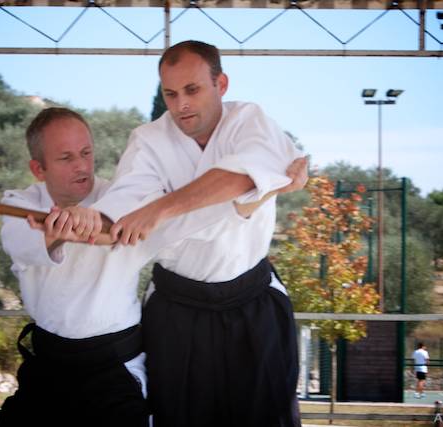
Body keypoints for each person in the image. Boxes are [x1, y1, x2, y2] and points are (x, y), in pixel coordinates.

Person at [0, 107, 307, 426]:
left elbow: (196, 219)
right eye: (65, 158)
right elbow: (22, 245)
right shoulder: (20, 206)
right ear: (38, 168)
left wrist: (267, 189)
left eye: (86, 153)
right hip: (47, 366)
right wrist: (59, 232)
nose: (81, 166)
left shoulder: (126, 200)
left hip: (115, 369)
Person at [93, 40, 306, 427]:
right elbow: (121, 210)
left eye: (192, 90)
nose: (181, 105)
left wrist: (160, 208)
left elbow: (241, 177)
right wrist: (85, 221)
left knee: (267, 416)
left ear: (221, 84)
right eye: (170, 94)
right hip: (177, 306)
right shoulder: (147, 141)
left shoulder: (248, 119)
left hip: (252, 299)